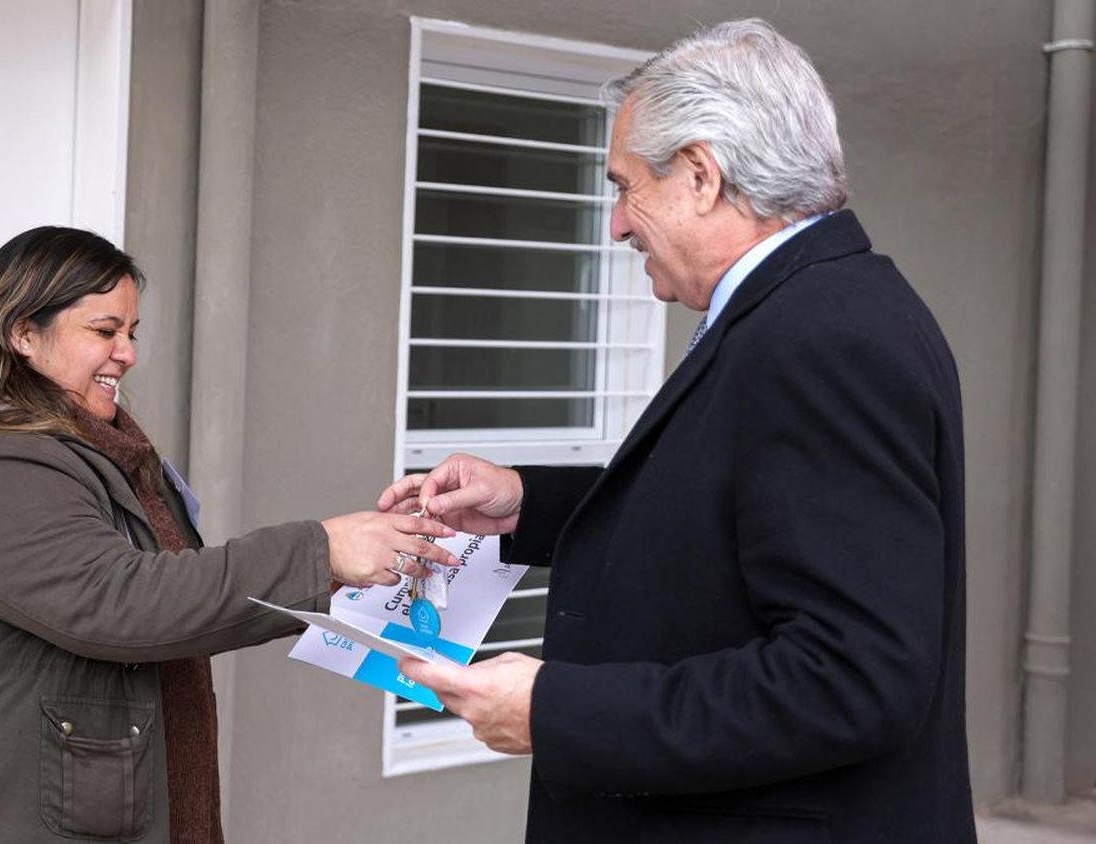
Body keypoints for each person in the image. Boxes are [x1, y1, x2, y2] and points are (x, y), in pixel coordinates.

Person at [379, 19, 974, 843]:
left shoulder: (825, 336)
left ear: (700, 174)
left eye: (625, 187)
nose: (617, 225)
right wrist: (527, 502)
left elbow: (854, 678)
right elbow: (739, 501)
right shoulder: (809, 309)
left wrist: (559, 711)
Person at [0, 226, 454, 843]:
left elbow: (180, 601)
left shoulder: (104, 452)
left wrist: (353, 578)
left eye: (131, 333)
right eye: (105, 331)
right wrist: (320, 551)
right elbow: (121, 602)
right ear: (24, 333)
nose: (127, 353)